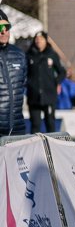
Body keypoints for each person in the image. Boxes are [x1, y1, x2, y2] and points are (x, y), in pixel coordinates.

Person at [25, 31, 66, 133]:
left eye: (41, 39)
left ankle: (52, 143)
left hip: (49, 96)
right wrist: (28, 84)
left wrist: (57, 82)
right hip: (34, 97)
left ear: (45, 41)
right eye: (36, 39)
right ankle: (35, 143)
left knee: (50, 124)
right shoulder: (29, 55)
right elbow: (23, 73)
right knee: (35, 125)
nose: (38, 41)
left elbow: (62, 72)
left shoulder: (52, 54)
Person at [0, 9, 27, 137]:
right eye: (0, 28)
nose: (3, 31)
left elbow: (23, 84)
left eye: (6, 27)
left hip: (17, 127)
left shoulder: (19, 54)